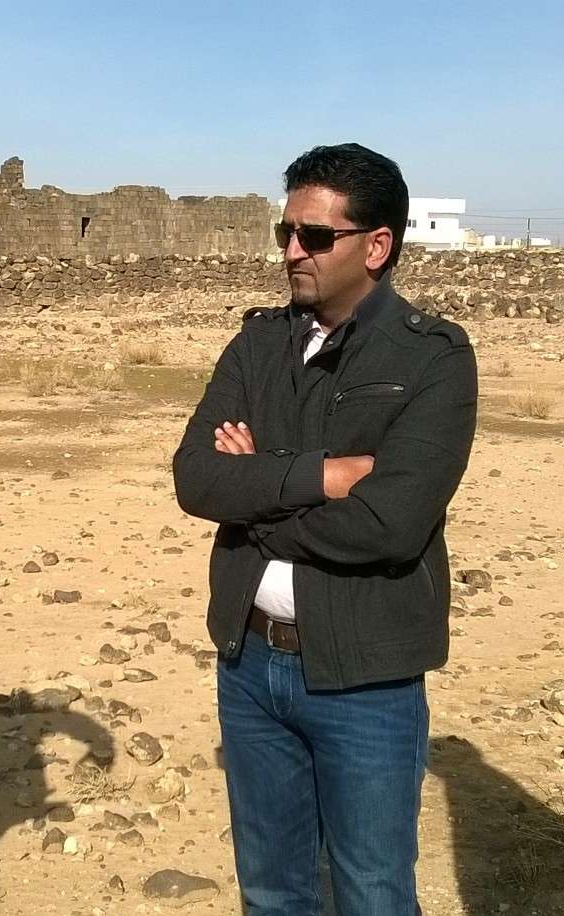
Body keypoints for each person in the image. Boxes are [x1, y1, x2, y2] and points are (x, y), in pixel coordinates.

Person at [172, 142, 477, 915]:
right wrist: (322, 475)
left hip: (364, 677)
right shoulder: (258, 343)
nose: (292, 252)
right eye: (285, 234)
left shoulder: (433, 358)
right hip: (249, 670)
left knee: (373, 892)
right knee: (273, 891)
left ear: (377, 246)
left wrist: (257, 495)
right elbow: (197, 479)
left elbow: (389, 525)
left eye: (314, 236)